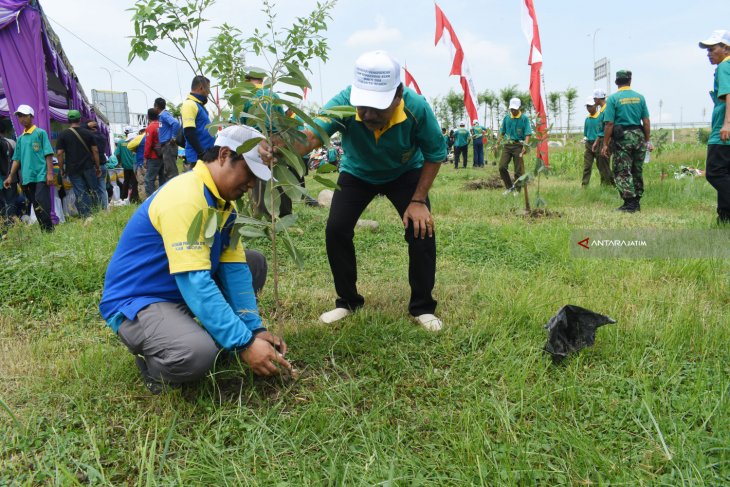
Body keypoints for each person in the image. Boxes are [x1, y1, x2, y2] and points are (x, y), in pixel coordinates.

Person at [260, 50, 447, 331]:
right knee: (336, 229)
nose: (369, 114)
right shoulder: (344, 102)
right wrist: (279, 146)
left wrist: (418, 199)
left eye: (378, 106)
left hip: (405, 173)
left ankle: (422, 306)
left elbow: (435, 153)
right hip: (357, 172)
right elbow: (311, 136)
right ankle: (347, 301)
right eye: (363, 106)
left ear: (397, 95)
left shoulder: (416, 107)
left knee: (421, 231)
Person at [99, 125, 291, 394]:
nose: (251, 185)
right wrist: (244, 344)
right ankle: (155, 366)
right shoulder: (185, 196)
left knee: (253, 263)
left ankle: (208, 333)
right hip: (141, 300)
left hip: (179, 292)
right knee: (197, 354)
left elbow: (234, 270)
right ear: (224, 155)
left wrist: (254, 330)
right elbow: (195, 281)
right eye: (248, 173)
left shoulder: (223, 203)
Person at [601, 70, 652, 212]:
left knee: (622, 170)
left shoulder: (613, 99)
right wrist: (648, 141)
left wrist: (605, 144)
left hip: (623, 139)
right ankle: (636, 202)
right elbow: (646, 122)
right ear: (630, 81)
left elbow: (609, 124)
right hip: (639, 136)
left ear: (617, 82)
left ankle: (629, 203)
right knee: (637, 169)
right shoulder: (640, 98)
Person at [2, 105, 55, 232]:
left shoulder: (40, 133)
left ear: (31, 116)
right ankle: (44, 231)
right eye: (19, 116)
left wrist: (49, 173)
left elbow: (48, 153)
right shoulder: (20, 139)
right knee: (35, 205)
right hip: (27, 178)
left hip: (41, 175)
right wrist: (10, 176)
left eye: (25, 115)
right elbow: (16, 159)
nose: (22, 119)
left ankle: (49, 230)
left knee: (42, 203)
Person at [700, 30, 730, 225]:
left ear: (726, 48)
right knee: (726, 174)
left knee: (715, 173)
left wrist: (727, 124)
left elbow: (729, 94)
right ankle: (725, 218)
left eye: (712, 49)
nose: (709, 53)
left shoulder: (724, 66)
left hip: (723, 131)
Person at [56, 111, 101, 218]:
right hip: (88, 166)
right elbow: (95, 151)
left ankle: (86, 216)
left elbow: (59, 153)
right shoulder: (88, 133)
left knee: (80, 192)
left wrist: (61, 168)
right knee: (93, 189)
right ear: (80, 119)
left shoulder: (63, 134)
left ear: (68, 120)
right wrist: (98, 167)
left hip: (73, 169)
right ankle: (97, 213)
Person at [496, 97, 532, 189]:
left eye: (515, 109)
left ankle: (518, 190)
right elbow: (502, 132)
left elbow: (528, 134)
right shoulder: (507, 118)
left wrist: (525, 146)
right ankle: (509, 187)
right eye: (512, 109)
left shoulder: (524, 118)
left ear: (519, 108)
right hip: (507, 146)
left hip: (518, 146)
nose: (513, 111)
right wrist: (497, 143)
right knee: (502, 167)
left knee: (518, 171)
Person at [181, 75, 215, 172]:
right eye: (208, 89)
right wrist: (201, 153)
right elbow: (188, 132)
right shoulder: (189, 104)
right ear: (201, 88)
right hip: (197, 158)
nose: (208, 93)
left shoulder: (198, 105)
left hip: (205, 156)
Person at [154, 97, 181, 180]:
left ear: (156, 106)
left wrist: (173, 137)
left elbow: (176, 123)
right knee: (168, 170)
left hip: (168, 145)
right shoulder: (162, 116)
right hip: (165, 146)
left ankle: (175, 191)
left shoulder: (164, 115)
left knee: (171, 172)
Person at [591, 88, 614, 186]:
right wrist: (596, 141)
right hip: (601, 139)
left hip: (605, 139)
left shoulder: (607, 109)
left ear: (597, 99)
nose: (594, 101)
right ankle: (605, 183)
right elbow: (601, 129)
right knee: (600, 163)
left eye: (594, 99)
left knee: (604, 163)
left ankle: (611, 184)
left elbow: (608, 126)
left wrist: (606, 143)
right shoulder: (602, 109)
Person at [87, 120, 109, 210]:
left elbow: (95, 151)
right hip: (103, 164)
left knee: (93, 189)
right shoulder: (103, 136)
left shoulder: (91, 137)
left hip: (95, 165)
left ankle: (97, 209)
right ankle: (104, 208)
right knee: (102, 188)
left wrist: (97, 166)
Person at [115, 129, 140, 203]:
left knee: (126, 182)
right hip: (134, 165)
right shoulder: (135, 142)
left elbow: (117, 154)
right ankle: (134, 198)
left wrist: (119, 162)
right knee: (135, 182)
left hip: (125, 166)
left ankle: (123, 197)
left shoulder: (120, 142)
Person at [144, 109, 165, 196]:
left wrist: (145, 157)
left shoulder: (150, 127)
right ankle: (163, 197)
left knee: (149, 179)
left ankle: (150, 200)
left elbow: (148, 144)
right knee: (162, 178)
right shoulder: (162, 125)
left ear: (148, 116)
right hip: (163, 155)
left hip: (153, 157)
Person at [581, 98, 601, 187]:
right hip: (589, 144)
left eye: (590, 106)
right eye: (587, 106)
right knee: (587, 166)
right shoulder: (587, 119)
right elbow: (586, 133)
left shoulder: (600, 117)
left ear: (595, 106)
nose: (588, 108)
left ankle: (607, 184)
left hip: (599, 143)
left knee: (602, 166)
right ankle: (584, 185)